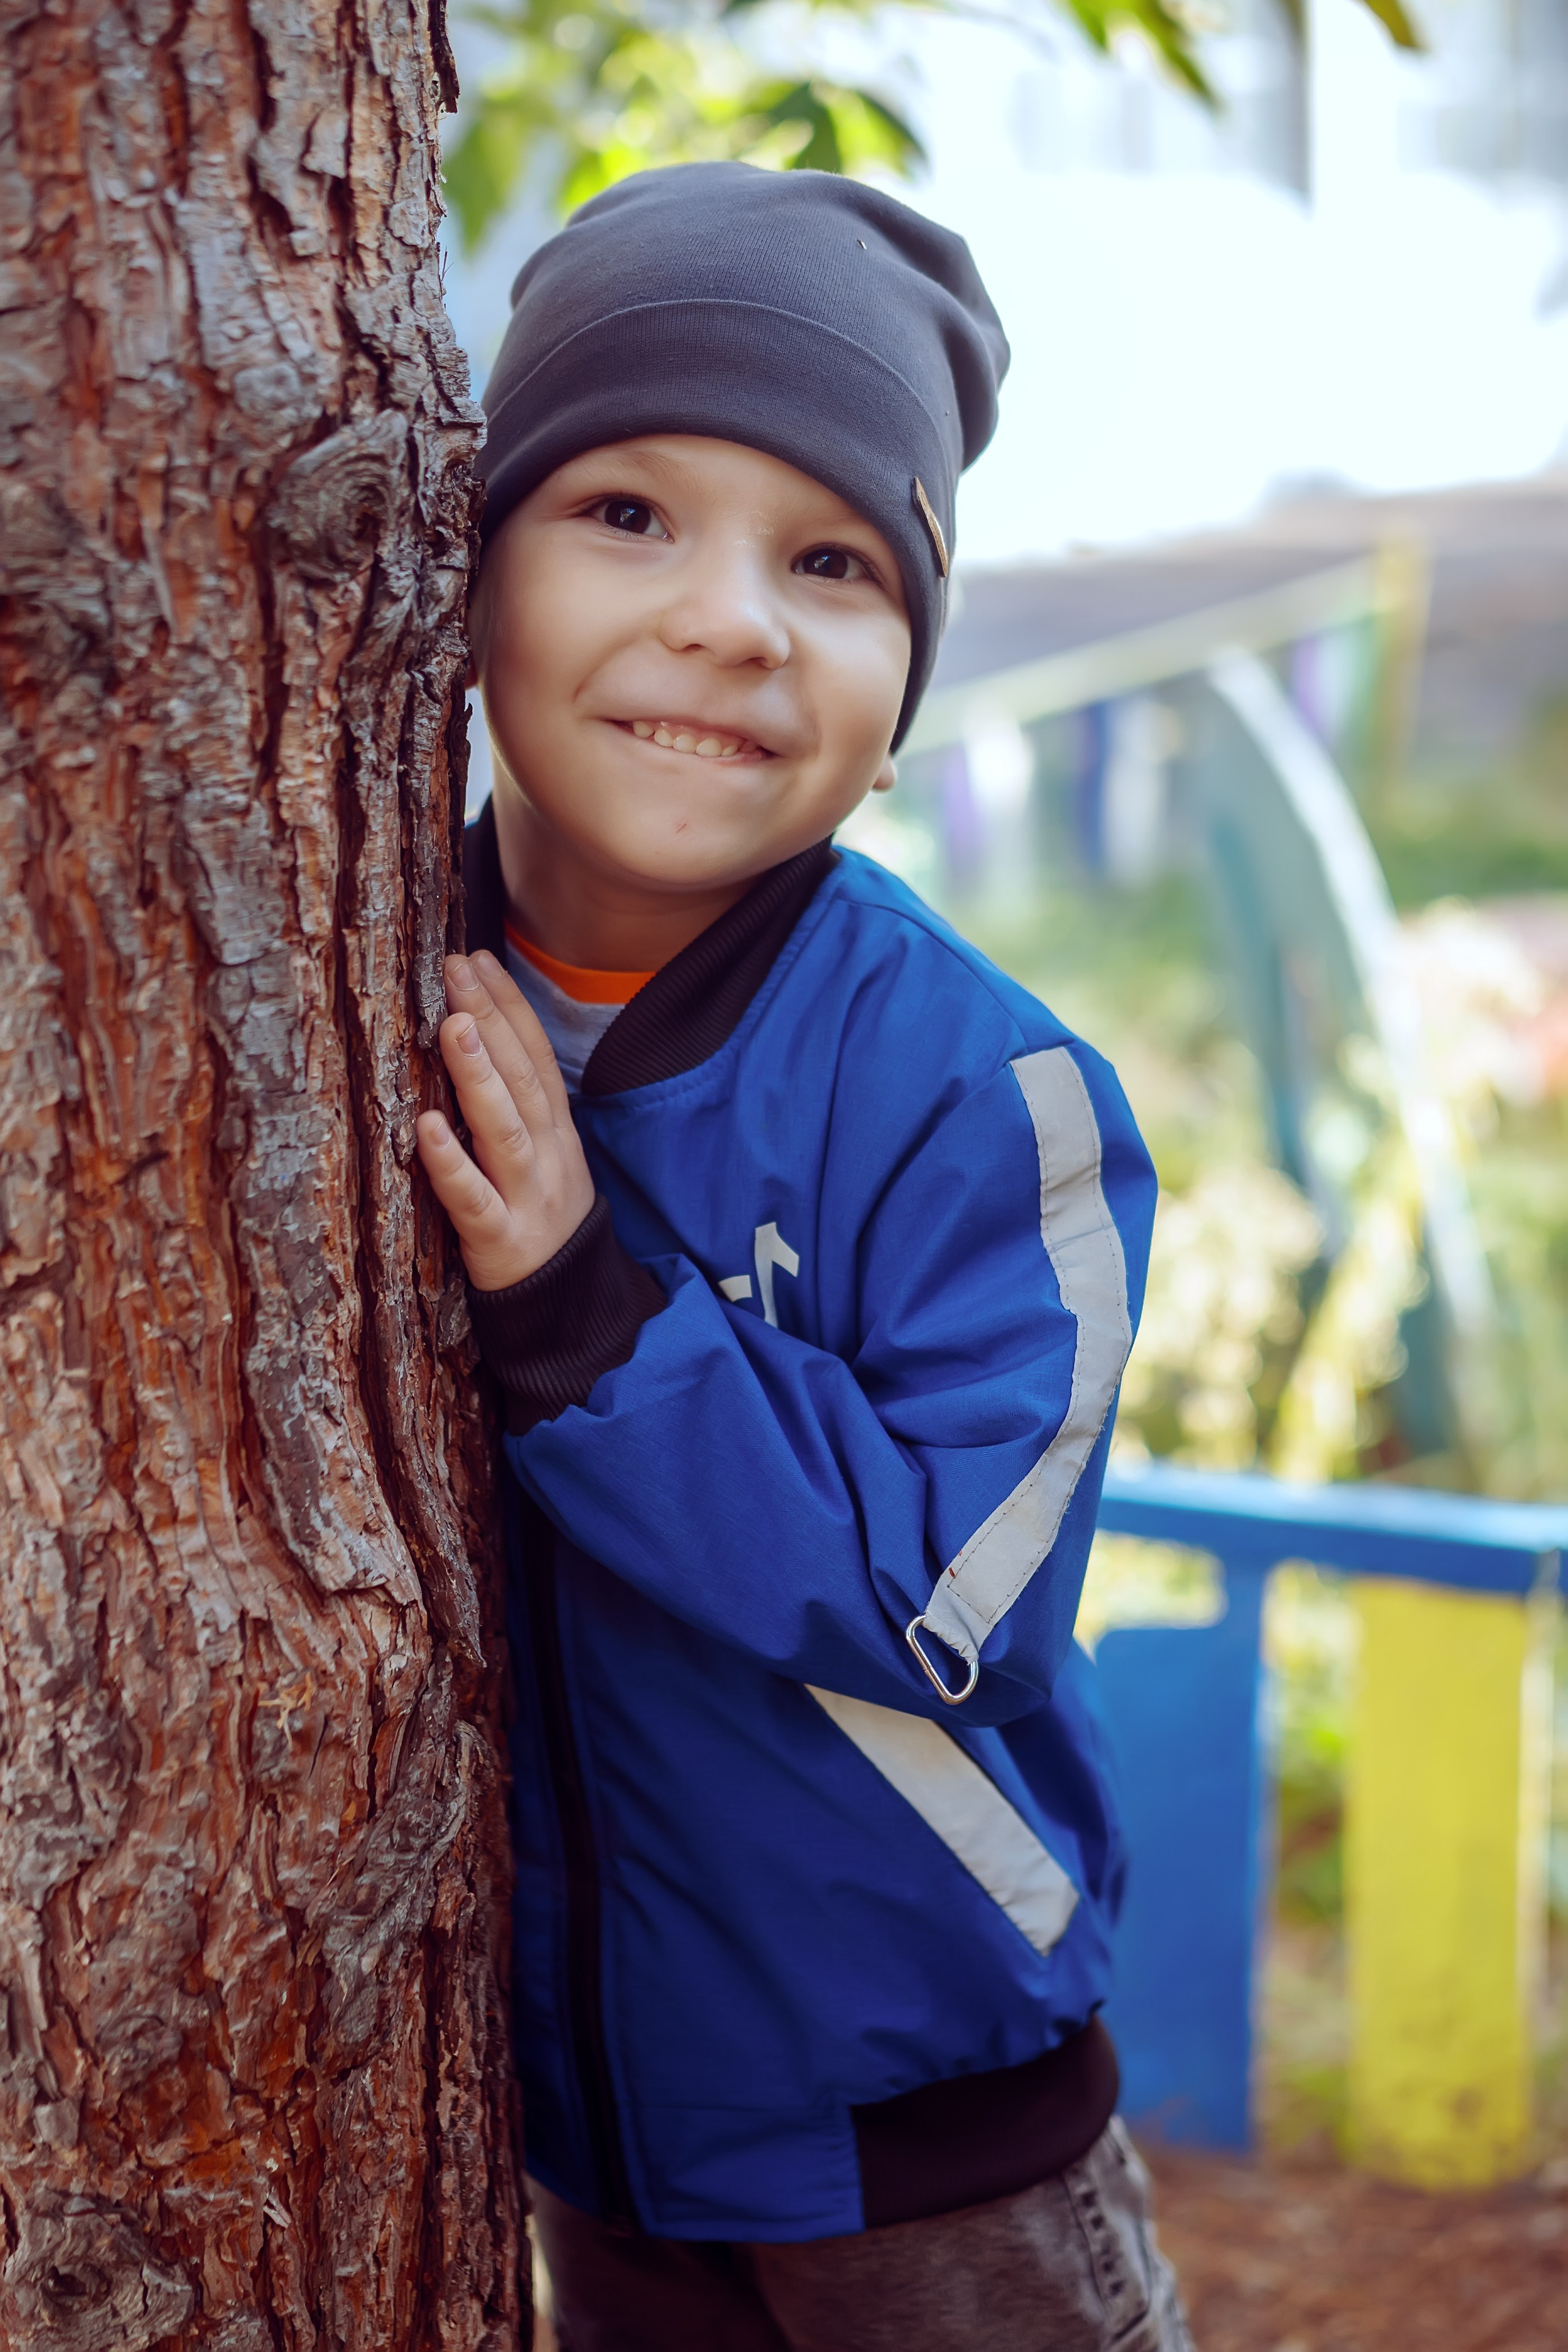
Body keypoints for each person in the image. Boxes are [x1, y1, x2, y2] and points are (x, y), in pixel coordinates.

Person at [416, 161, 1190, 2352]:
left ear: (908, 662)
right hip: (579, 2131)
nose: (739, 620)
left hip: (931, 2138)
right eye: (629, 515)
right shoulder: (357, 976)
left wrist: (587, 1312)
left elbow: (951, 1601)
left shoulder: (981, 1095)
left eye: (833, 560)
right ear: (464, 574)